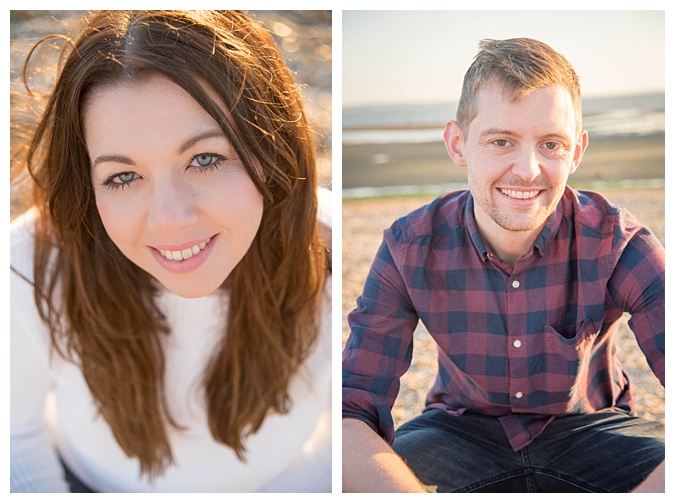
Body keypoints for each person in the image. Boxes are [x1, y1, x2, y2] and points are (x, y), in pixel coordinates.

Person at [10, 10, 332, 492]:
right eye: (122, 176)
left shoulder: (333, 250)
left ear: (272, 153)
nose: (169, 218)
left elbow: (350, 427)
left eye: (205, 159)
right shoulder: (28, 266)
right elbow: (12, 437)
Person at [342, 37, 664, 493]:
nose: (527, 170)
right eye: (501, 141)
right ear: (458, 144)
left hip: (592, 433)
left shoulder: (619, 243)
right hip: (455, 432)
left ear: (575, 152)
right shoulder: (409, 246)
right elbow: (350, 410)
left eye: (550, 144)